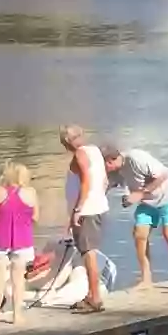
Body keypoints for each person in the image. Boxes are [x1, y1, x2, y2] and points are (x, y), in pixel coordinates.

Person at [102, 140, 168, 292]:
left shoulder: (136, 158)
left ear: (111, 160)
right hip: (148, 201)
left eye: (105, 165)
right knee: (139, 234)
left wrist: (139, 194)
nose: (104, 170)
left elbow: (164, 175)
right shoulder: (116, 171)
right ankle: (146, 279)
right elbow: (106, 186)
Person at [60, 125, 109, 313]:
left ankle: (95, 298)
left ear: (67, 142)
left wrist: (78, 209)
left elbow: (86, 181)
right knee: (89, 252)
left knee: (89, 253)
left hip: (87, 211)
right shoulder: (94, 150)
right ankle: (91, 295)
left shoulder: (80, 154)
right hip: (98, 207)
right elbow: (103, 180)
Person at [0, 162, 37, 324]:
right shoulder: (31, 193)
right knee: (18, 279)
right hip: (22, 239)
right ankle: (17, 315)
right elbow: (35, 217)